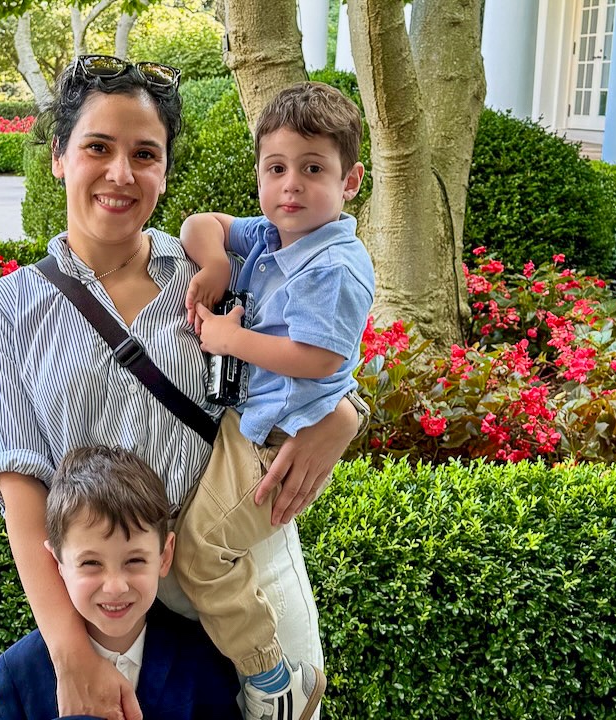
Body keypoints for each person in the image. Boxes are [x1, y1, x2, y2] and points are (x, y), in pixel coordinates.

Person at [0, 55, 363, 720]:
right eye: (98, 147)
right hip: (117, 599)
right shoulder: (9, 309)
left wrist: (345, 418)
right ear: (60, 156)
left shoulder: (213, 271)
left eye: (144, 154)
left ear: (164, 170)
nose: (121, 174)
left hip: (245, 565)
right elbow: (21, 491)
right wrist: (72, 654)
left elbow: (327, 346)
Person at [174, 81, 374, 720]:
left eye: (313, 169)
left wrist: (233, 337)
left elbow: (322, 358)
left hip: (276, 439)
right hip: (252, 421)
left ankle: (270, 675)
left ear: (351, 182)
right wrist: (214, 265)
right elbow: (199, 223)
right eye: (276, 168)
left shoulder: (333, 264)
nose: (291, 186)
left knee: (203, 553)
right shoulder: (272, 237)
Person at [0, 445, 241, 719]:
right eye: (91, 563)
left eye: (134, 561)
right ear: (58, 563)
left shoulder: (201, 654)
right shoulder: (20, 671)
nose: (115, 586)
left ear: (164, 555)